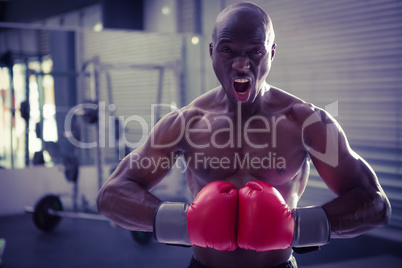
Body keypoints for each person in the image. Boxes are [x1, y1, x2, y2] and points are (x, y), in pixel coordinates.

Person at [97, 2, 391, 268]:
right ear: (212, 52)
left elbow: (375, 203)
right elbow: (111, 195)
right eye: (228, 50)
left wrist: (298, 226)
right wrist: (185, 223)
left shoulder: (307, 122)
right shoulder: (185, 123)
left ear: (272, 53)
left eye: (255, 51)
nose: (241, 64)